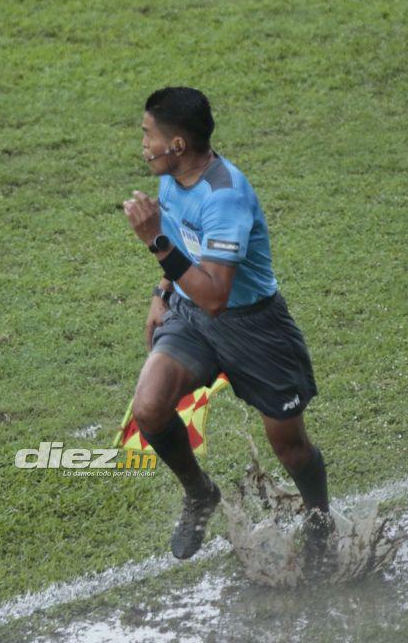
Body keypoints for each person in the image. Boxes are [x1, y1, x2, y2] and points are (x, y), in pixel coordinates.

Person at [122, 86, 333, 567]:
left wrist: (154, 240)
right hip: (193, 318)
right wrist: (162, 291)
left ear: (177, 144)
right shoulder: (173, 178)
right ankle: (200, 493)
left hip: (256, 329)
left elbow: (216, 294)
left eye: (148, 135)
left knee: (292, 449)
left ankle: (321, 522)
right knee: (149, 408)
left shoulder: (226, 197)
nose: (143, 145)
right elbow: (183, 245)